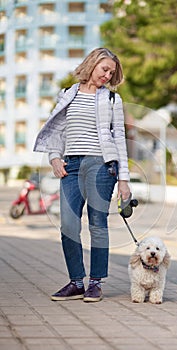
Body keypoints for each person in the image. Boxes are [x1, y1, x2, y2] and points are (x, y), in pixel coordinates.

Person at [33, 48, 131, 302]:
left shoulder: (111, 99)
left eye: (111, 72)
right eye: (104, 69)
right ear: (92, 64)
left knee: (97, 223)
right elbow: (57, 132)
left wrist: (124, 180)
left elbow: (119, 137)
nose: (107, 75)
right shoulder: (68, 94)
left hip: (101, 165)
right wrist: (54, 158)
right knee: (68, 225)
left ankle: (95, 282)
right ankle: (76, 281)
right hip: (71, 165)